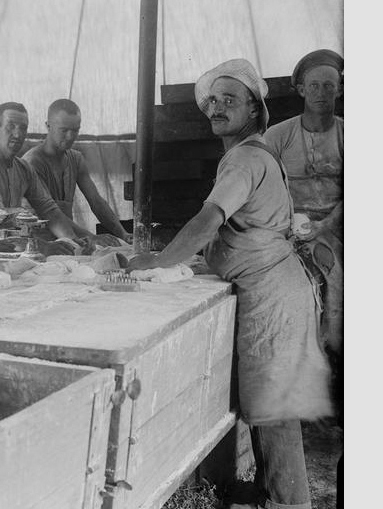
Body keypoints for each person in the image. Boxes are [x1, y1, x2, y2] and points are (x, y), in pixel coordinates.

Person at [126, 59, 332, 509]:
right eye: (212, 100)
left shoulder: (244, 158)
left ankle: (289, 503)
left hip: (272, 297)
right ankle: (267, 497)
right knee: (268, 410)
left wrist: (160, 260)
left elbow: (208, 220)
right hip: (277, 291)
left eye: (230, 100)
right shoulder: (253, 153)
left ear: (255, 111)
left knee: (277, 414)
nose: (217, 108)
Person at [263, 49, 343, 415]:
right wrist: (288, 226)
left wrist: (326, 227)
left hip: (338, 226)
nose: (322, 93)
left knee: (337, 276)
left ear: (340, 90)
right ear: (300, 89)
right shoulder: (279, 135)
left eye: (330, 85)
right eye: (314, 85)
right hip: (286, 227)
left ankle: (337, 371)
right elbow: (260, 183)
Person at [0, 102, 97, 256]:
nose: (17, 134)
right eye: (11, 126)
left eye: (23, 128)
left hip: (9, 254)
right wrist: (41, 246)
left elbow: (49, 211)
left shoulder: (23, 168)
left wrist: (73, 241)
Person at [21, 99, 131, 242]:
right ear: (48, 126)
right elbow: (52, 214)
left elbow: (96, 202)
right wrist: (91, 238)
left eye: (75, 130)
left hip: (68, 240)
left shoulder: (76, 159)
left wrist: (123, 234)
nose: (70, 136)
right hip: (37, 244)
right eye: (64, 130)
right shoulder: (32, 163)